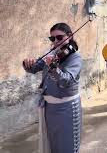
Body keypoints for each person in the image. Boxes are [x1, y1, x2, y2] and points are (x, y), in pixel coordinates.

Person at [23, 23, 83, 153]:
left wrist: (53, 68)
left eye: (59, 37)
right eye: (52, 38)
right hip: (49, 108)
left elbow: (65, 80)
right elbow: (34, 68)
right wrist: (27, 63)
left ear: (70, 36)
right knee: (53, 144)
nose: (56, 41)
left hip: (66, 107)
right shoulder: (52, 53)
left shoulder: (75, 57)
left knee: (67, 145)